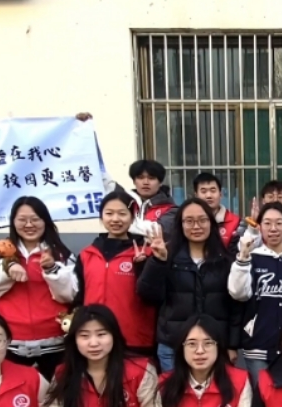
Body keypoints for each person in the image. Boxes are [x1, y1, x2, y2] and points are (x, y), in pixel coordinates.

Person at [0, 197, 75, 379]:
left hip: (55, 344)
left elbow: (72, 294)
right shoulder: (1, 253)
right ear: (13, 222)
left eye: (35, 219)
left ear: (45, 221)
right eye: (22, 219)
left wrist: (52, 269)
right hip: (10, 343)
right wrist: (7, 268)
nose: (29, 225)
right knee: (14, 394)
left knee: (56, 394)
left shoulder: (61, 254)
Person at [137, 197, 242, 373]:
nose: (196, 226)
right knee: (174, 390)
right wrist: (158, 261)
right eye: (189, 221)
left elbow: (235, 307)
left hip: (214, 345)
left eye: (202, 220)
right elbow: (148, 294)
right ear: (180, 225)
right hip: (173, 345)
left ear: (211, 223)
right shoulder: (167, 255)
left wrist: (232, 345)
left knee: (214, 391)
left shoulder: (224, 261)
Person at [228, 202, 282, 384]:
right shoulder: (252, 258)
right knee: (261, 395)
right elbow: (238, 293)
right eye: (267, 223)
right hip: (258, 344)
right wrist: (242, 258)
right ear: (260, 227)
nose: (273, 229)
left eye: (279, 223)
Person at [72, 191, 156, 356]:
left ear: (132, 217)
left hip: (134, 339)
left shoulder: (147, 252)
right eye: (109, 213)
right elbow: (79, 296)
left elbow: (154, 294)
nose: (115, 219)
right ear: (101, 217)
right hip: (96, 339)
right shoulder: (87, 254)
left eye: (122, 214)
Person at [103, 158, 178, 238]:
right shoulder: (125, 202)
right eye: (140, 178)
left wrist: (124, 223)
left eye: (151, 178)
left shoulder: (172, 210)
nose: (145, 182)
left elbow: (157, 231)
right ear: (134, 181)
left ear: (160, 182)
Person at [193, 173, 242, 248]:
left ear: (220, 194)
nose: (209, 196)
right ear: (196, 196)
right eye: (203, 191)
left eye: (213, 191)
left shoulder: (236, 223)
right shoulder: (188, 222)